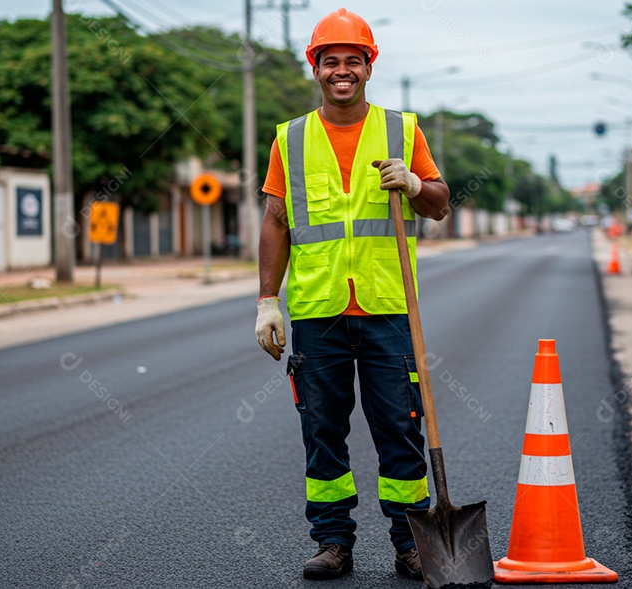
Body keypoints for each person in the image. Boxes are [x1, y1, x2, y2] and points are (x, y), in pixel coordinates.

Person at [254, 7, 450, 581]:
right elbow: (275, 220)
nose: (343, 70)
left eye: (354, 61)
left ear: (369, 66)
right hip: (318, 311)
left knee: (399, 428)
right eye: (331, 61)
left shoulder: (402, 129)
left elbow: (439, 203)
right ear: (315, 69)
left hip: (389, 308)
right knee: (321, 430)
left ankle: (412, 541)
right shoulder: (289, 139)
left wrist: (415, 183)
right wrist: (268, 300)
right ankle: (333, 541)